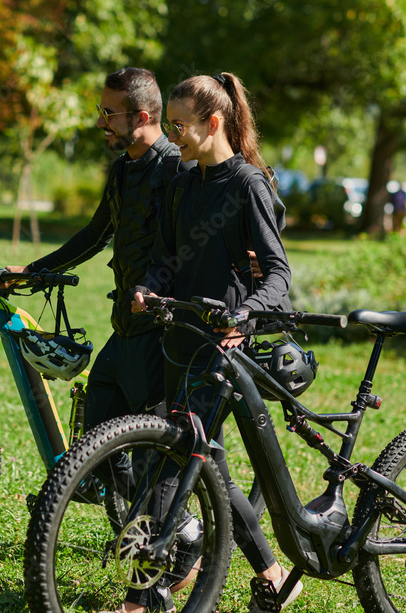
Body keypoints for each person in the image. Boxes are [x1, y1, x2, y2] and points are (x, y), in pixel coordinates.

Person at [131, 72, 302, 612]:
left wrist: (245, 313)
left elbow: (278, 273)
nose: (173, 136)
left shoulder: (247, 185)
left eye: (180, 125)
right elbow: (166, 260)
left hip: (226, 349)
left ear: (214, 122)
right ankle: (276, 575)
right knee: (213, 469)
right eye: (170, 125)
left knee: (172, 462)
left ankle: (141, 598)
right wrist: (148, 288)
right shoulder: (182, 185)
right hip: (179, 341)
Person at [7, 67, 189, 433]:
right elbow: (94, 235)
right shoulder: (122, 168)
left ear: (142, 117)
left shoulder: (178, 168)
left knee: (154, 461)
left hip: (160, 337)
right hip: (123, 327)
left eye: (109, 114)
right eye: (99, 110)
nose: (99, 122)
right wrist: (33, 271)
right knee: (96, 435)